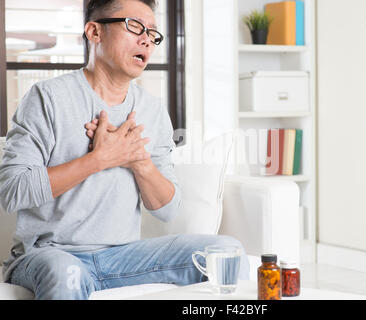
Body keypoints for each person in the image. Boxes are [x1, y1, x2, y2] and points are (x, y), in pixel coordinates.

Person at [0, 0, 249, 300]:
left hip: (123, 256)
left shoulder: (152, 110)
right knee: (67, 274)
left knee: (228, 251)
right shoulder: (47, 98)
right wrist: (99, 159)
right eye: (134, 26)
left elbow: (168, 209)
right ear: (94, 32)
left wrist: (138, 159)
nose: (146, 39)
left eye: (153, 33)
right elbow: (12, 191)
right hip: (49, 254)